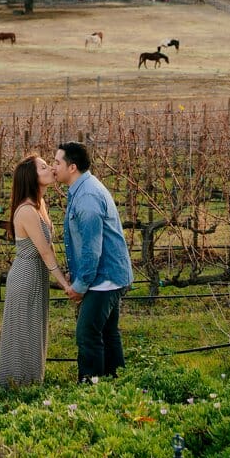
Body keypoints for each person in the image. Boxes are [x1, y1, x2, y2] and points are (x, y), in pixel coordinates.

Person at [53, 141, 134, 381]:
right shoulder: (82, 188)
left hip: (104, 277)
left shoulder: (87, 197)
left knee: (87, 333)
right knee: (108, 333)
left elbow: (91, 250)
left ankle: (91, 388)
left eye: (57, 162)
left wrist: (79, 286)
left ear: (72, 167)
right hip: (107, 274)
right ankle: (117, 385)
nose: (53, 166)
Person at [0, 154, 72, 387]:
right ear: (32, 177)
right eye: (43, 167)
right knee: (22, 330)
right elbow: (45, 251)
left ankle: (30, 383)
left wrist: (63, 274)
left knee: (34, 328)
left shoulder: (40, 205)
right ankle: (15, 384)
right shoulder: (27, 210)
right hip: (26, 275)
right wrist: (64, 283)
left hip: (36, 274)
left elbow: (49, 248)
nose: (50, 168)